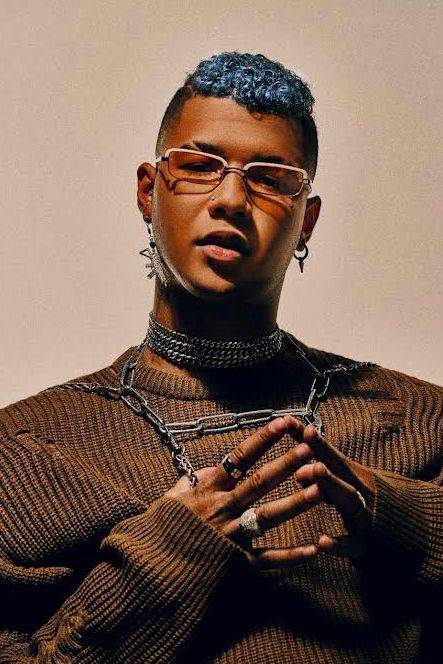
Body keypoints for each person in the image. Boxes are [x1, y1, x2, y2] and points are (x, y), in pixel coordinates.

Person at [0, 52, 441, 663]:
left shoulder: (415, 421)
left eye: (270, 178)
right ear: (148, 192)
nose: (231, 197)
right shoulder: (25, 449)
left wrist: (400, 520)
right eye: (199, 166)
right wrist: (171, 554)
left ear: (307, 221)